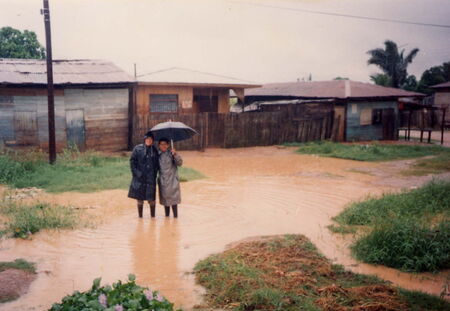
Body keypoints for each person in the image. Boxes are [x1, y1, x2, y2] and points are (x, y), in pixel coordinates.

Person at [128, 131, 159, 218]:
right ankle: (140, 217)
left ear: (153, 140)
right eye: (147, 139)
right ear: (144, 139)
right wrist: (137, 173)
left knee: (152, 199)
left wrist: (154, 174)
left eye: (150, 139)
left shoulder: (155, 150)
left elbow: (157, 164)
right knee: (140, 199)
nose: (149, 140)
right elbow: (132, 162)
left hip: (150, 179)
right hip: (140, 178)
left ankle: (153, 217)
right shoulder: (137, 149)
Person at [157, 138, 183, 218]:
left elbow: (180, 163)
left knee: (174, 200)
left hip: (172, 180)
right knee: (165, 200)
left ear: (168, 145)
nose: (163, 146)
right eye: (161, 144)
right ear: (159, 146)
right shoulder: (158, 155)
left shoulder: (171, 154)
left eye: (165, 144)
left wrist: (175, 154)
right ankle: (167, 218)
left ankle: (175, 218)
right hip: (163, 180)